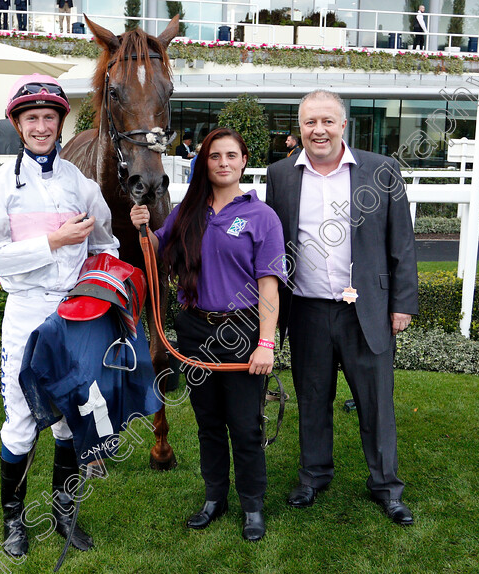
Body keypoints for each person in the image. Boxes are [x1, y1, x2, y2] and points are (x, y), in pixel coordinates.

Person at [0, 74, 119, 557]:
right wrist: (53, 242)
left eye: (49, 117)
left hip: (74, 312)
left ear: (60, 122)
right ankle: (14, 523)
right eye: (31, 118)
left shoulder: (81, 184)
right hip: (27, 310)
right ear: (17, 123)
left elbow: (105, 244)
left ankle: (63, 516)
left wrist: (99, 291)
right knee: (21, 418)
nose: (40, 126)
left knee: (71, 419)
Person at [265, 89, 419, 526]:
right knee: (313, 400)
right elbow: (272, 245)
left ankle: (386, 487)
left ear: (343, 125)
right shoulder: (280, 175)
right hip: (308, 310)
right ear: (300, 128)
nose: (319, 130)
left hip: (365, 311)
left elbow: (401, 242)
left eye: (328, 121)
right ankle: (313, 477)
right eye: (311, 122)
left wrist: (402, 303)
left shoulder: (380, 170)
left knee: (376, 405)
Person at [131, 127, 286, 542]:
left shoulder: (262, 216)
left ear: (243, 161)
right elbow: (156, 255)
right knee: (208, 424)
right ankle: (215, 498)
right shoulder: (187, 211)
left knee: (245, 425)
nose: (222, 163)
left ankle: (252, 505)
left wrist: (266, 343)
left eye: (231, 156)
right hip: (196, 330)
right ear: (204, 161)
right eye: (214, 156)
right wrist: (143, 227)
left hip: (241, 331)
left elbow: (269, 285)